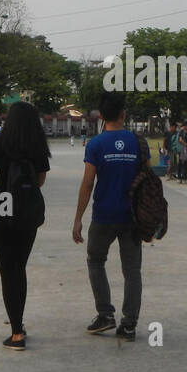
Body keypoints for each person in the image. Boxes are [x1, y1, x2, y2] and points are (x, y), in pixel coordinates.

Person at [72, 90, 145, 342]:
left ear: (101, 116)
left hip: (103, 214)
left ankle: (105, 314)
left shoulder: (95, 144)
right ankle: (129, 324)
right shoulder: (138, 142)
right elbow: (147, 181)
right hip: (132, 217)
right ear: (124, 114)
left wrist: (78, 218)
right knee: (132, 270)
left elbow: (88, 183)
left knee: (95, 261)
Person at [0, 101, 51, 351]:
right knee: (19, 268)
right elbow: (40, 181)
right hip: (27, 214)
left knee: (7, 271)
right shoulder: (38, 148)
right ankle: (19, 327)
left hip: (1, 212)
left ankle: (16, 331)